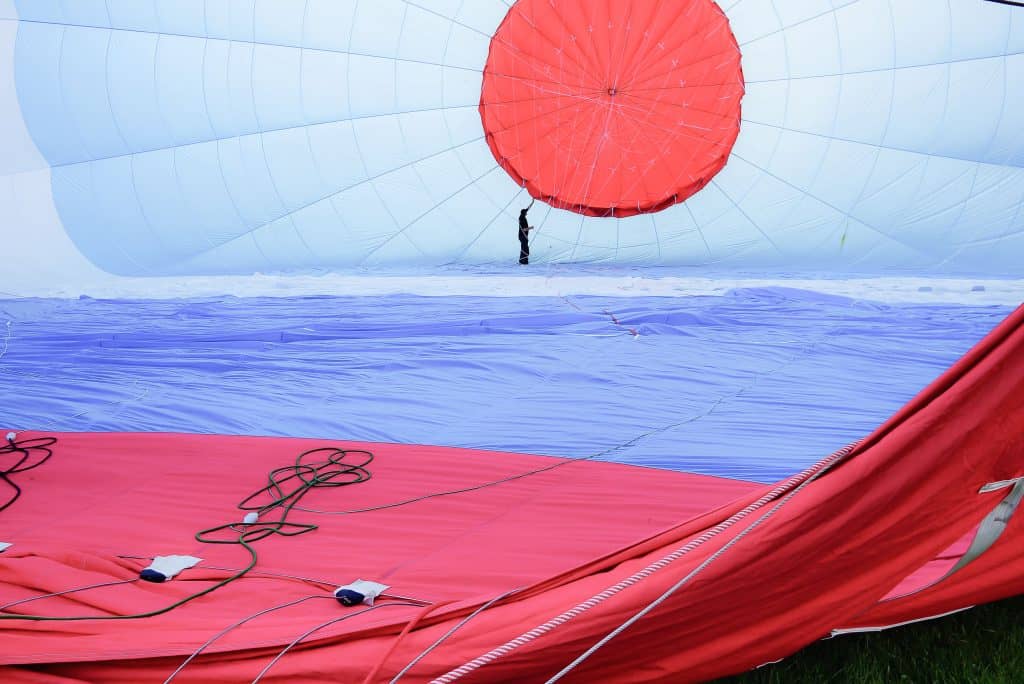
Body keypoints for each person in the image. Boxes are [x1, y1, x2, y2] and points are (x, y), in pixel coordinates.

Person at [518, 198, 535, 265]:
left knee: (525, 248)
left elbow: (528, 208)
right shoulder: (522, 219)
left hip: (523, 236)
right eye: (526, 212)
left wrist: (532, 202)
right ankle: (523, 261)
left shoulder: (522, 216)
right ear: (524, 213)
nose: (527, 213)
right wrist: (531, 228)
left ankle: (523, 261)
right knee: (525, 248)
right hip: (522, 236)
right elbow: (524, 229)